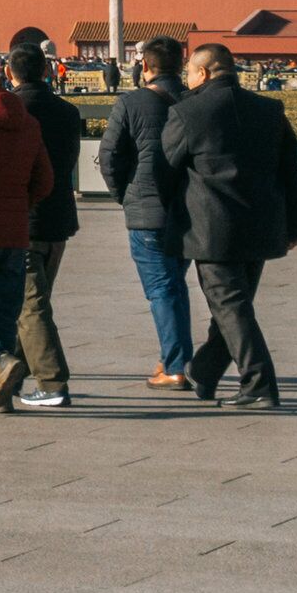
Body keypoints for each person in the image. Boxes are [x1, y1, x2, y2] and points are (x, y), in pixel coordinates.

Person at [156, 43, 297, 410]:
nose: (188, 80)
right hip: (261, 224)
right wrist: (295, 224)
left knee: (231, 308)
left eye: (190, 73)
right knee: (234, 306)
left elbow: (165, 171)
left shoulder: (188, 112)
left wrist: (166, 217)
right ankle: (204, 372)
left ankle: (258, 384)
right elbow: (291, 170)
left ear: (204, 72)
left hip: (211, 227)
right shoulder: (269, 109)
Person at [96, 34, 194, 389]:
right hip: (188, 211)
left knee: (162, 289)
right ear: (181, 66)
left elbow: (109, 156)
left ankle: (175, 365)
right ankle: (174, 357)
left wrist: (125, 196)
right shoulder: (195, 101)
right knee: (174, 285)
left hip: (147, 211)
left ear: (145, 66)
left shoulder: (131, 102)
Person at [7, 38, 87, 411]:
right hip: (58, 218)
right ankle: (9, 374)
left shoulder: (10, 111)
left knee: (30, 306)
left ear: (9, 72)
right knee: (35, 302)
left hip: (23, 220)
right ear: (46, 70)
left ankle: (52, 383)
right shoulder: (68, 112)